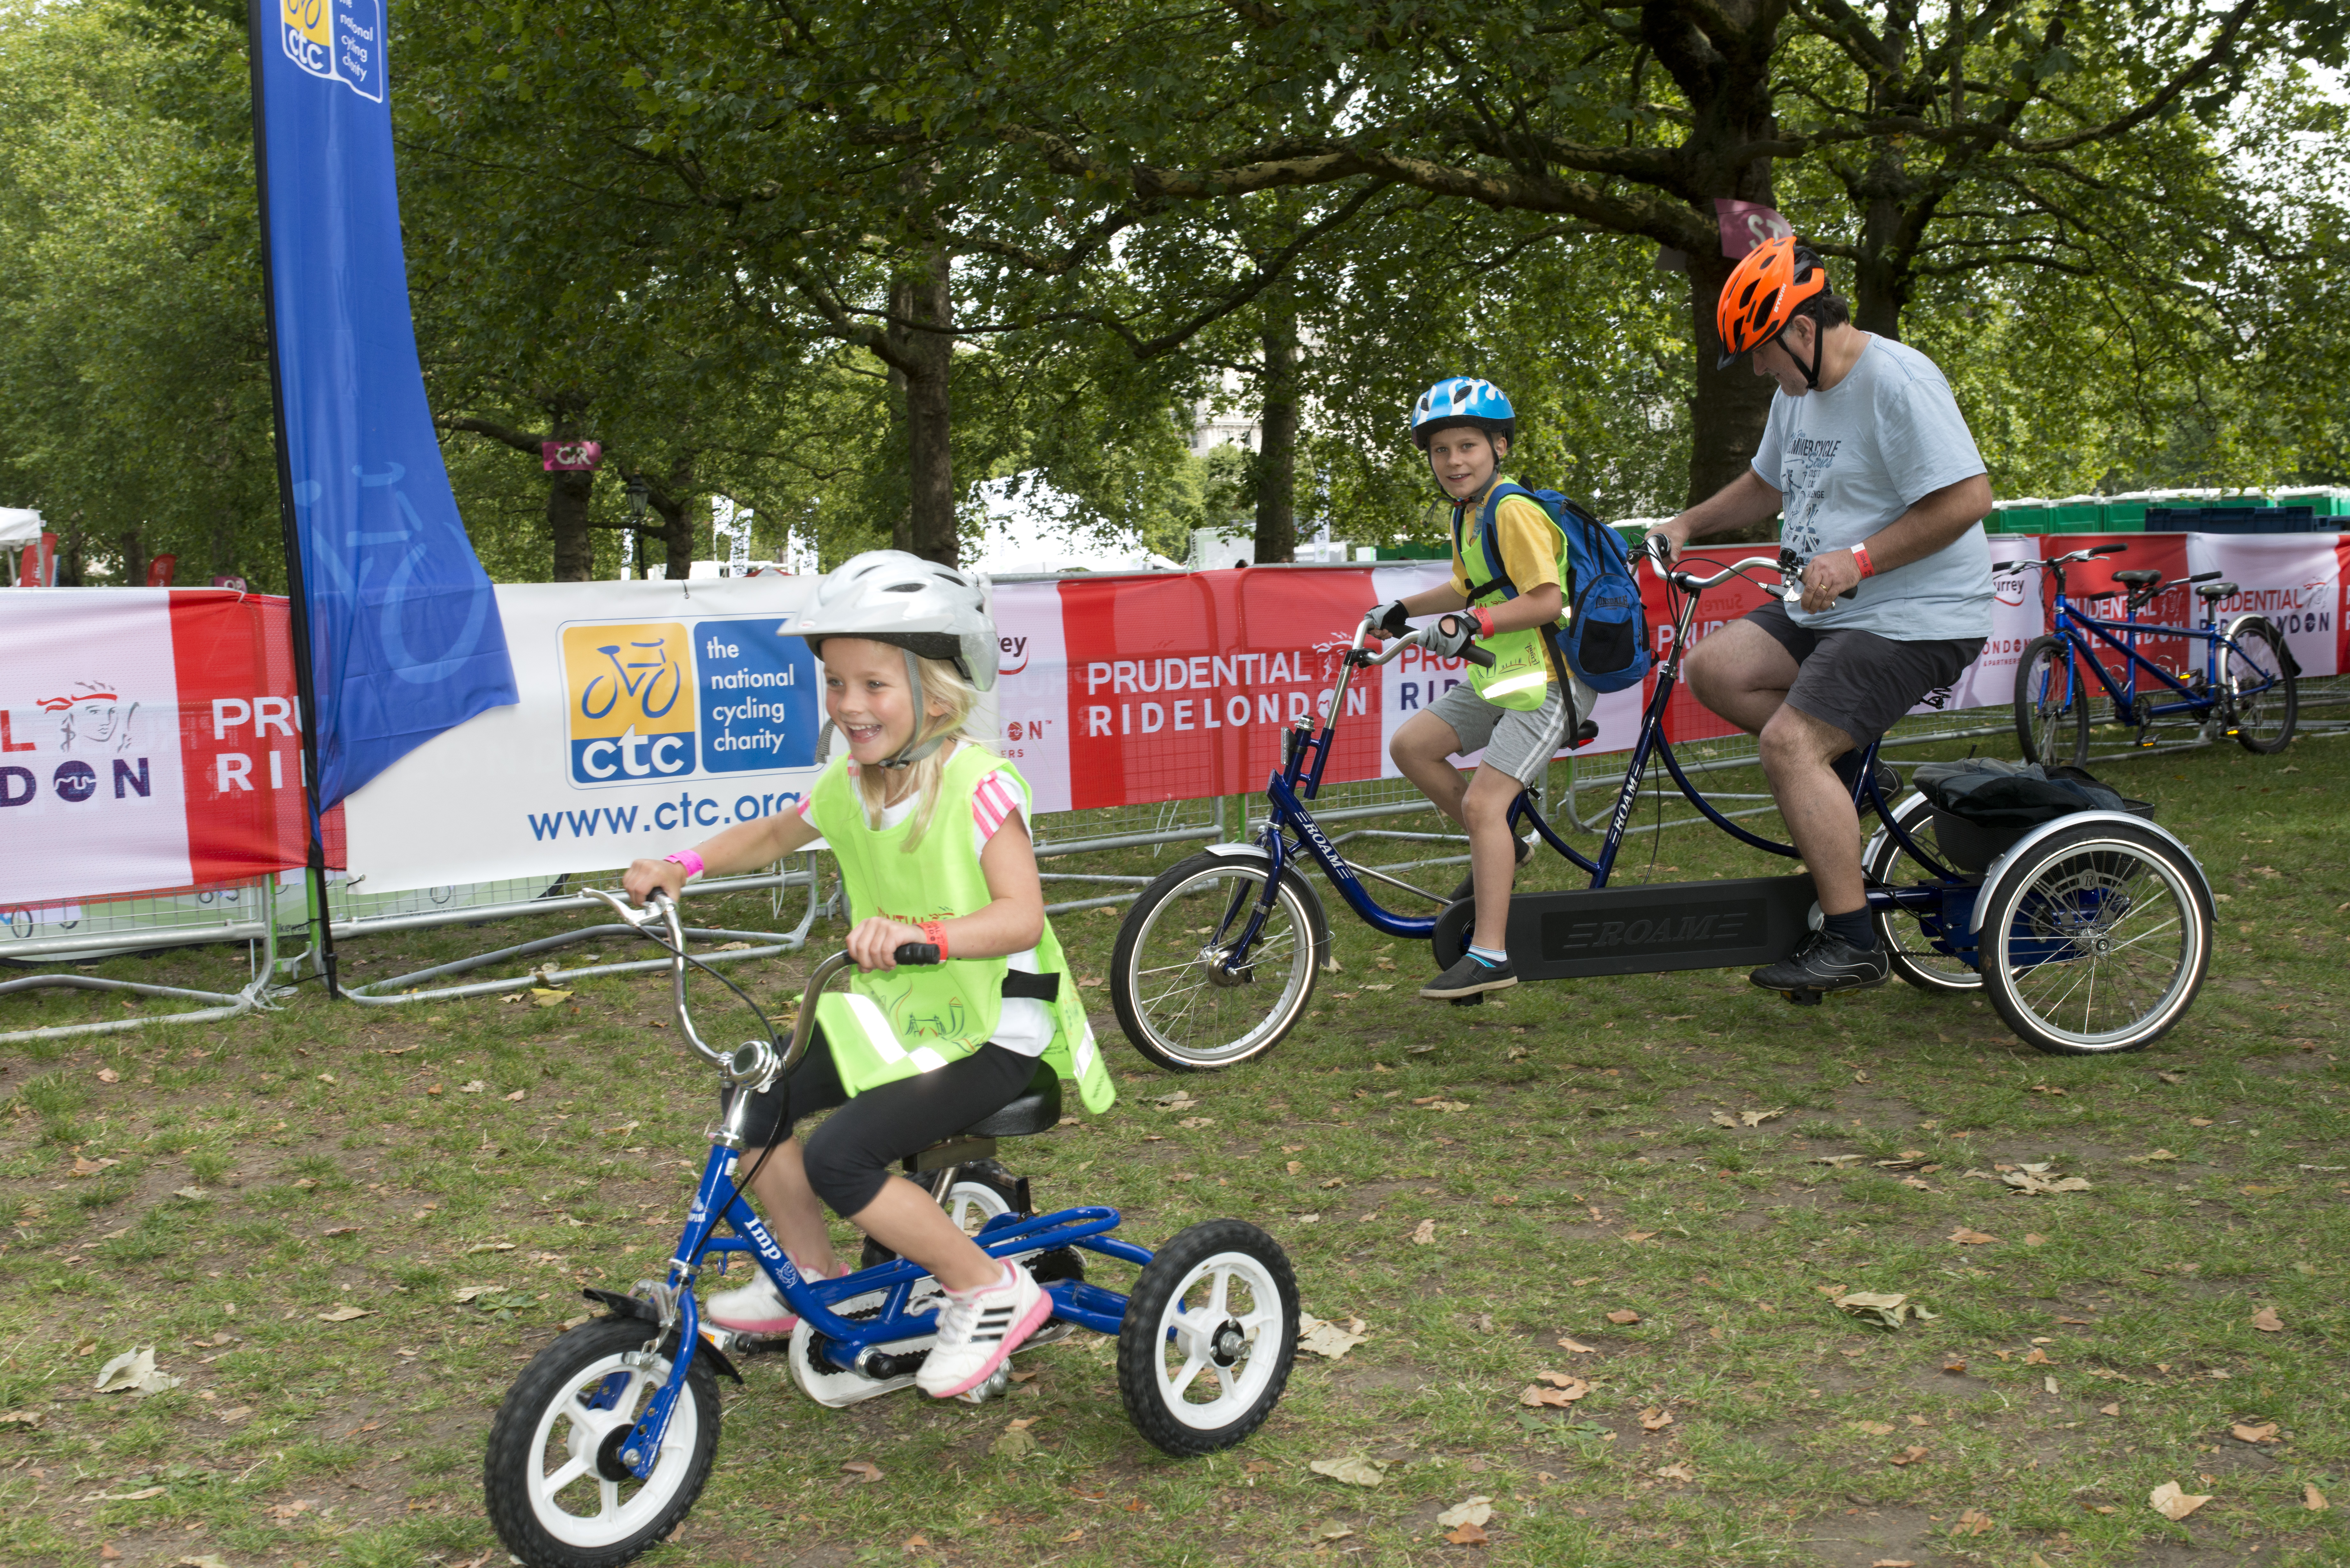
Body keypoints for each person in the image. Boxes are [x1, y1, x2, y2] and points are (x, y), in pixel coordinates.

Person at [622, 550, 1117, 1399]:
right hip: (902, 1012)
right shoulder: (852, 785)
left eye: (874, 684)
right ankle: (806, 1278)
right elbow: (777, 833)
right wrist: (683, 863)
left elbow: (1020, 917)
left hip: (992, 1023)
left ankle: (988, 1289)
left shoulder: (979, 786)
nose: (850, 705)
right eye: (836, 683)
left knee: (842, 1158)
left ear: (936, 687)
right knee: (757, 1099)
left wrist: (923, 934)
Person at [1645, 237, 1994, 996]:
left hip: (1917, 612)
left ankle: (1851, 938)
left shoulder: (1896, 380)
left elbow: (1968, 499)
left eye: (1762, 353)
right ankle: (1851, 772)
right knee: (1715, 669)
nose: (1760, 370)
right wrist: (1686, 524)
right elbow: (1764, 484)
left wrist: (1860, 559)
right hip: (1826, 606)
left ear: (1802, 331)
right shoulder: (1795, 393)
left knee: (1789, 742)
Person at [1369, 377, 1589, 1001]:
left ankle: (1490, 954)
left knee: (1482, 804)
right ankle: (1506, 848)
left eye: (1467, 445)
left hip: (1552, 682)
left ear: (1498, 447)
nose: (1453, 461)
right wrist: (1399, 608)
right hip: (1504, 671)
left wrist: (1474, 624)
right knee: (1412, 745)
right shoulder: (1468, 512)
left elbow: (1547, 599)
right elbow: (1468, 588)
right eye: (1440, 451)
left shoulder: (1512, 509)